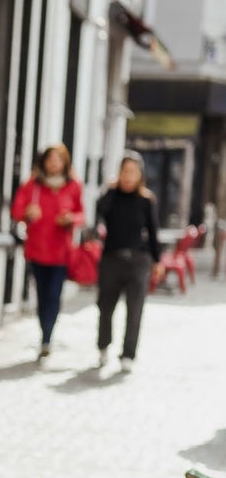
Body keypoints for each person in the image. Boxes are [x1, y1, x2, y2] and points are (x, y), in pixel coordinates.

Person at [11, 143, 84, 362]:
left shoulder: (73, 186)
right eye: (50, 159)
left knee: (54, 295)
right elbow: (16, 211)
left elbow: (81, 214)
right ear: (44, 162)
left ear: (64, 163)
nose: (54, 163)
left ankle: (47, 338)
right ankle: (44, 332)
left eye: (58, 159)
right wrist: (27, 213)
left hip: (61, 252)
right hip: (37, 250)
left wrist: (71, 219)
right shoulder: (32, 185)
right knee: (42, 296)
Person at [95, 152, 161, 371]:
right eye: (125, 171)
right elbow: (99, 213)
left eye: (133, 172)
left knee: (135, 309)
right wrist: (110, 190)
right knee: (105, 306)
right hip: (111, 259)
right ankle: (103, 346)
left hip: (138, 261)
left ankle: (128, 354)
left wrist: (157, 261)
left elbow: (152, 233)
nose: (128, 176)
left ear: (140, 174)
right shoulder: (111, 196)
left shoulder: (146, 200)